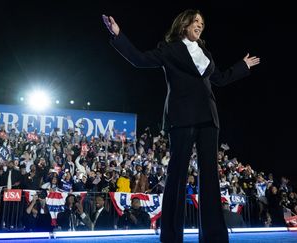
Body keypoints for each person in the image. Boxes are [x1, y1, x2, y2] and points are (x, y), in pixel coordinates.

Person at [102, 9, 260, 243]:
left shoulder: (205, 52)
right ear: (184, 24)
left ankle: (214, 236)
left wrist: (242, 66)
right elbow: (139, 59)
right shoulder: (169, 49)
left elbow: (221, 78)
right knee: (176, 177)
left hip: (209, 118)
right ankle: (172, 236)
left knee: (210, 179)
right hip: (182, 116)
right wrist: (118, 35)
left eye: (202, 22)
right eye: (196, 21)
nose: (200, 25)